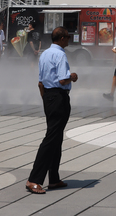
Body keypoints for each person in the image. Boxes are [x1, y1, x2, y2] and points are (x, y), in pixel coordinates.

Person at [26, 26, 78, 194]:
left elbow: (40, 82)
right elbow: (63, 80)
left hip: (48, 96)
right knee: (51, 139)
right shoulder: (60, 54)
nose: (69, 39)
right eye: (68, 37)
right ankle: (34, 179)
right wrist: (73, 76)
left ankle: (53, 178)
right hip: (59, 97)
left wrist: (46, 100)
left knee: (56, 137)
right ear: (62, 38)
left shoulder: (45, 54)